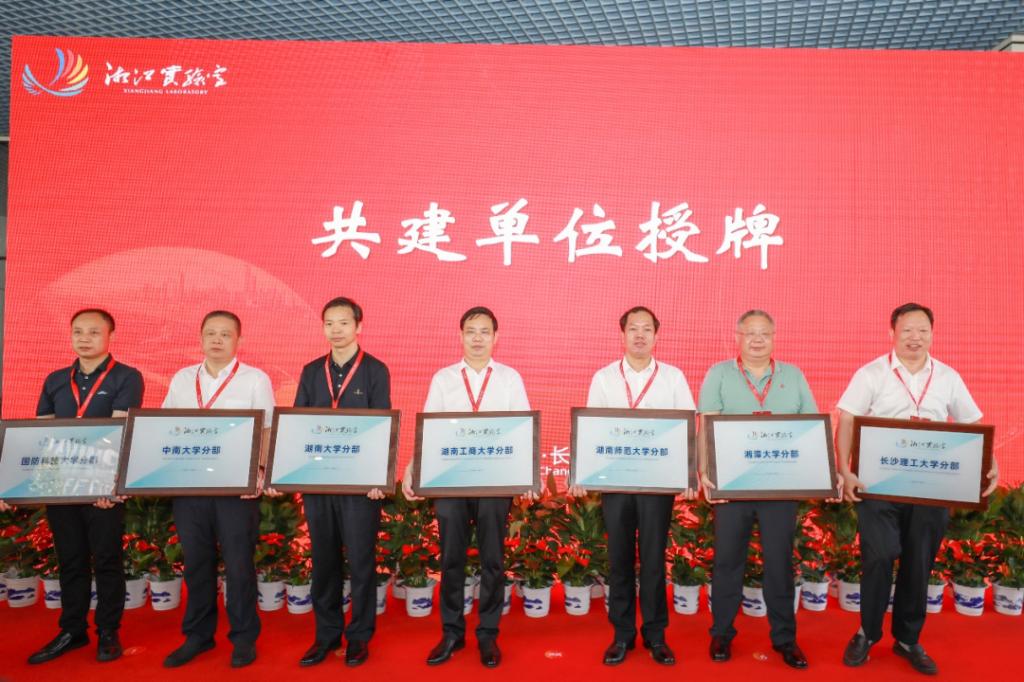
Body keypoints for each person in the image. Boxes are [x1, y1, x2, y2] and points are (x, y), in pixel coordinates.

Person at [837, 302, 998, 675]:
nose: (915, 337)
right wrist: (844, 470)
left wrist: (991, 463)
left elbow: (973, 423)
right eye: (907, 330)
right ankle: (867, 632)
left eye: (923, 330)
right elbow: (846, 420)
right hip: (877, 484)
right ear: (892, 333)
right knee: (879, 555)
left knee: (918, 560)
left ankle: (908, 639)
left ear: (932, 334)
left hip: (930, 486)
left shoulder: (947, 377)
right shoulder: (871, 374)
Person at [401, 306, 532, 669]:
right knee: (451, 558)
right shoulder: (443, 379)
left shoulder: (509, 379)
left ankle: (488, 633)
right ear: (459, 336)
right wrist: (413, 467)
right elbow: (428, 429)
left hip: (495, 482)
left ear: (496, 337)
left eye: (484, 331)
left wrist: (528, 477)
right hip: (451, 482)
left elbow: (523, 429)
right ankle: (452, 632)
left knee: (493, 559)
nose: (477, 338)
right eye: (471, 331)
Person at [13, 309, 144, 664]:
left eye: (93, 332)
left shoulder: (126, 377)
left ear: (110, 336)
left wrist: (108, 485)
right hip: (62, 487)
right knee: (70, 560)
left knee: (107, 560)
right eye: (78, 331)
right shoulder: (55, 380)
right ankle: (72, 630)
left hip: (102, 489)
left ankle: (108, 631)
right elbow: (43, 435)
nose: (84, 338)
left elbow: (119, 434)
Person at [568, 306, 696, 666]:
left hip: (657, 485)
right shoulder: (604, 378)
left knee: (654, 561)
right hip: (616, 483)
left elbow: (688, 428)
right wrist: (581, 473)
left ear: (657, 335)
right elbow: (592, 429)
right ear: (622, 334)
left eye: (647, 329)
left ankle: (656, 635)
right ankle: (622, 634)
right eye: (633, 329)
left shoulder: (673, 378)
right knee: (620, 560)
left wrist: (689, 474)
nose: (640, 335)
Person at [698, 309, 820, 669]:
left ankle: (785, 639)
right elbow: (706, 426)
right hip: (732, 487)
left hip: (779, 488)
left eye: (764, 333)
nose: (756, 339)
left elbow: (811, 427)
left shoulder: (793, 376)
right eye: (749, 333)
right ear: (737, 337)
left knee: (780, 563)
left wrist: (816, 473)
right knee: (727, 561)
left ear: (774, 337)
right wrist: (704, 470)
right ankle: (721, 633)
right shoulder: (719, 374)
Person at [160, 311, 275, 669]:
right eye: (210, 333)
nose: (217, 340)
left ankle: (243, 637)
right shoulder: (183, 378)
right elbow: (164, 426)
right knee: (196, 563)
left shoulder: (255, 379)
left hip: (236, 489)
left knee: (239, 565)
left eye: (225, 334)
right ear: (200, 337)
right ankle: (198, 635)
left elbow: (266, 430)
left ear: (239, 340)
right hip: (190, 486)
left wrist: (259, 472)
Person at [290, 297, 391, 668]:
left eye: (344, 323)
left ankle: (360, 636)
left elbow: (383, 425)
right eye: (329, 323)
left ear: (358, 326)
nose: (336, 330)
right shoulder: (311, 370)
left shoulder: (375, 370)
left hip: (360, 486)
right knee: (324, 561)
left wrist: (379, 477)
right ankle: (327, 635)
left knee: (362, 562)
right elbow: (299, 424)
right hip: (319, 483)